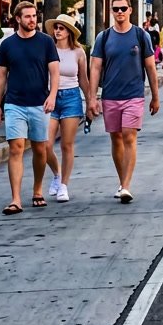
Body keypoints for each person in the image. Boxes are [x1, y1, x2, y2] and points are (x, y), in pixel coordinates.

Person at [88, 0, 161, 204]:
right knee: (116, 138)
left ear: (130, 10)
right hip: (110, 95)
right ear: (111, 12)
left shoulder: (140, 35)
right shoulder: (104, 37)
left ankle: (127, 185)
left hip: (134, 95)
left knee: (129, 135)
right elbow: (95, 68)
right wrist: (93, 98)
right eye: (115, 9)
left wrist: (155, 96)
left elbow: (150, 67)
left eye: (123, 8)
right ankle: (122, 182)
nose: (119, 12)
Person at [0, 1, 60, 215]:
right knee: (16, 148)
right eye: (28, 16)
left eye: (34, 16)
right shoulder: (8, 45)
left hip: (40, 103)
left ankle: (37, 190)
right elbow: (1, 76)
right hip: (14, 104)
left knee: (40, 149)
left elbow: (55, 72)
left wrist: (52, 96)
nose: (32, 20)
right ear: (18, 19)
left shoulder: (46, 42)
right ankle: (16, 199)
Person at [44, 14, 91, 203]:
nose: (57, 31)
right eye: (56, 27)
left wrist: (90, 101)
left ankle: (64, 184)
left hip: (71, 97)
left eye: (61, 28)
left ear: (69, 32)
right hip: (50, 98)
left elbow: (83, 79)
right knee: (45, 144)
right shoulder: (48, 49)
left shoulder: (78, 52)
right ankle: (57, 174)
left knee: (66, 144)